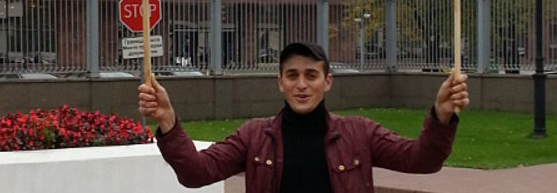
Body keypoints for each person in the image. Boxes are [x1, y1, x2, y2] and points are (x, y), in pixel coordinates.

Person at [138, 42, 469, 193]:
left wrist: (441, 117)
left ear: (327, 82)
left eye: (311, 75)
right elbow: (197, 173)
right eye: (292, 75)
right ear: (280, 81)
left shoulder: (360, 133)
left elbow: (421, 160)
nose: (301, 85)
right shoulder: (254, 136)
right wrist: (168, 119)